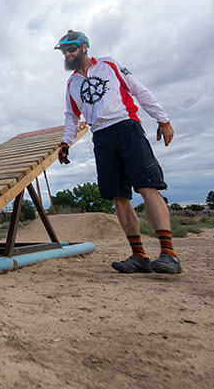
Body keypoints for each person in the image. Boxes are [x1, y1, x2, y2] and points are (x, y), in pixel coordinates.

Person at [54, 30, 181, 274]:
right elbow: (72, 116)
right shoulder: (72, 83)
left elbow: (138, 90)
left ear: (84, 47)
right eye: (64, 51)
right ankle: (139, 256)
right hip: (101, 136)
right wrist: (65, 143)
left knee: (147, 186)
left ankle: (169, 253)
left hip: (126, 127)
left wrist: (162, 119)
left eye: (71, 49)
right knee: (119, 197)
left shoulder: (109, 64)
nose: (67, 54)